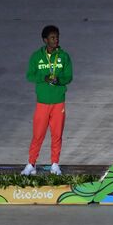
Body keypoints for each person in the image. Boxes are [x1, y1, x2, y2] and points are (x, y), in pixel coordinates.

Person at [22, 25, 73, 176]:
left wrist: (60, 80)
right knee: (38, 135)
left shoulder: (64, 56)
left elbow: (69, 77)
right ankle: (31, 164)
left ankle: (55, 164)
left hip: (58, 102)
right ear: (45, 40)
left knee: (57, 134)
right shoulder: (36, 56)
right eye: (52, 37)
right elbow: (30, 75)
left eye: (57, 37)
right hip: (42, 102)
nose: (56, 40)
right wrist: (43, 78)